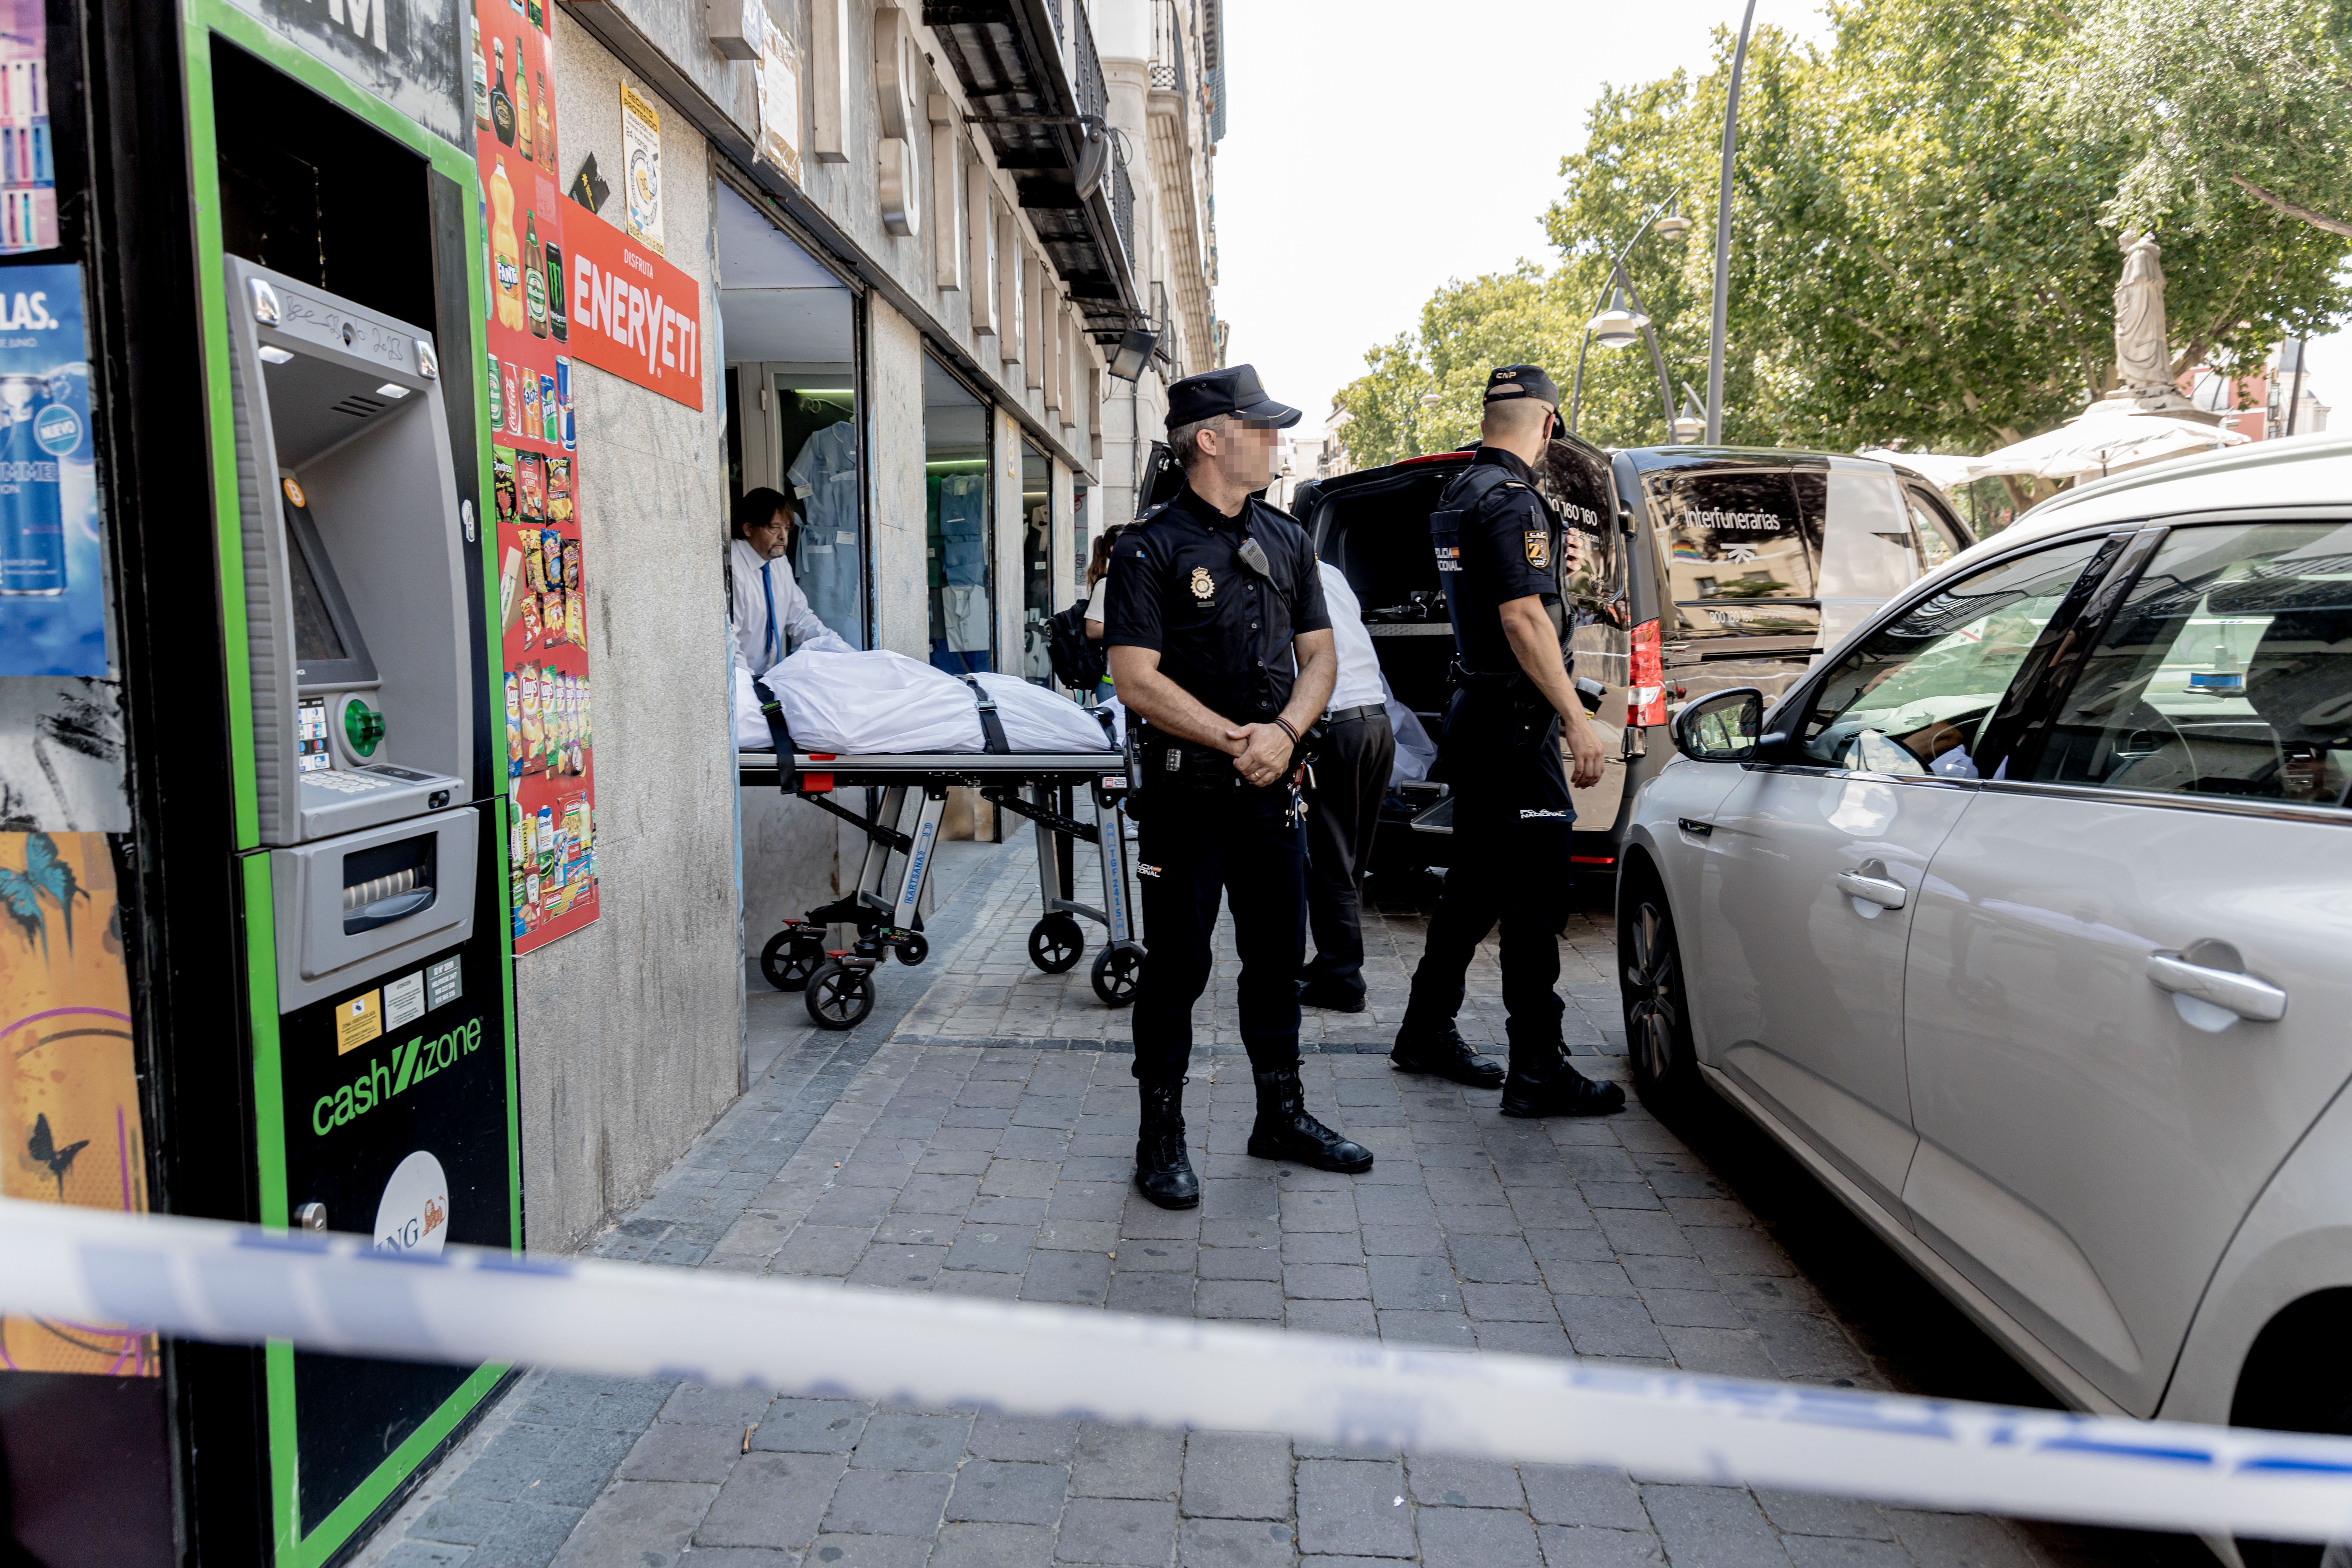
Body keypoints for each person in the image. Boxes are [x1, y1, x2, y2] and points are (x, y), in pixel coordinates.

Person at [1104, 364, 1374, 1209]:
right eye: (1260, 427)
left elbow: (1321, 657)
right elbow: (1134, 678)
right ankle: (1161, 1136)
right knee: (1178, 967)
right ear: (1210, 440)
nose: (1275, 439)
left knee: (1274, 962)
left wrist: (1286, 734)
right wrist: (1234, 739)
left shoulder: (1291, 539)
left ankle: (1281, 1117)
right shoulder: (1148, 549)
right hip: (1188, 801)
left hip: (1273, 792)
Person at [1390, 365, 1623, 1118]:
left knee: (1474, 886)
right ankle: (1537, 1070)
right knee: (1535, 898)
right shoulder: (1514, 499)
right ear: (1549, 424)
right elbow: (1522, 620)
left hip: (1477, 711)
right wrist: (1578, 720)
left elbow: (1512, 604)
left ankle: (1425, 1030)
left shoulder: (1460, 491)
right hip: (1516, 725)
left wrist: (1577, 604)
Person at [1296, 558, 1395, 1014]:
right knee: (1351, 858)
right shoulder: (1331, 572)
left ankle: (1342, 979)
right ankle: (1332, 960)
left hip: (1336, 726)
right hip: (1375, 721)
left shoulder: (1280, 574)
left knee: (1331, 858)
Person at [732, 486, 852, 677]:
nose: (784, 536)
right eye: (774, 527)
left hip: (767, 678)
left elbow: (801, 619)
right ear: (748, 529)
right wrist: (749, 689)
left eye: (787, 529)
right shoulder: (733, 569)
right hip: (741, 682)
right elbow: (729, 643)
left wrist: (848, 655)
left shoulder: (779, 563)